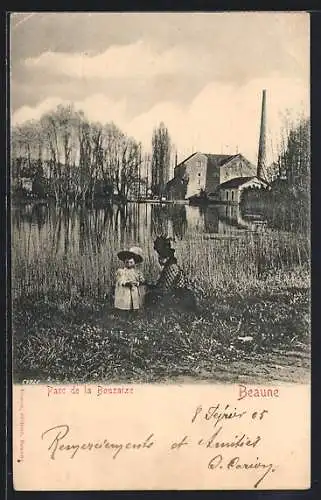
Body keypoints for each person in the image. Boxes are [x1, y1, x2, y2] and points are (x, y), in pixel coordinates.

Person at [147, 237, 197, 312]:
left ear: (167, 257)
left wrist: (152, 289)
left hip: (179, 298)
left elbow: (165, 289)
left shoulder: (172, 268)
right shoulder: (168, 267)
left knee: (150, 297)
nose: (159, 259)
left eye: (161, 256)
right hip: (174, 295)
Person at [114, 246, 146, 313]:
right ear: (124, 262)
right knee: (126, 303)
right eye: (127, 262)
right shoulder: (121, 271)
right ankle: (125, 313)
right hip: (126, 292)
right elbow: (120, 280)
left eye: (131, 262)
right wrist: (126, 283)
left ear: (135, 262)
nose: (128, 264)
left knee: (134, 303)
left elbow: (142, 280)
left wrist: (139, 283)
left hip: (134, 291)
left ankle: (134, 313)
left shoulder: (137, 272)